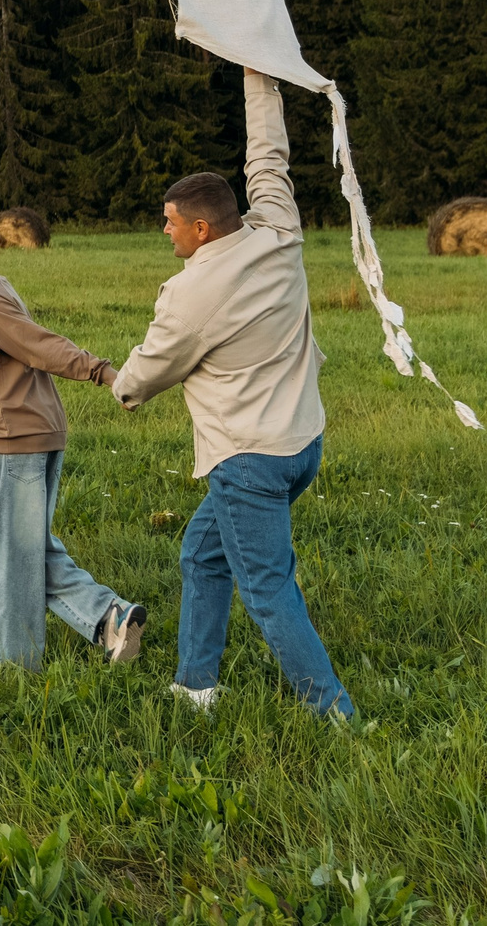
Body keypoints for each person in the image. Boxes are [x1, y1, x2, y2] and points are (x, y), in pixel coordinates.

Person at [113, 69, 355, 719]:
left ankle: (336, 714)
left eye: (169, 223)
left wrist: (118, 385)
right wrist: (256, 72)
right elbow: (268, 155)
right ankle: (195, 686)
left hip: (249, 462)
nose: (164, 231)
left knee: (269, 591)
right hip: (303, 443)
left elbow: (146, 373)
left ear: (200, 229)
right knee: (201, 552)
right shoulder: (279, 229)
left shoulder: (192, 292)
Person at [0, 204, 143, 669]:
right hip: (33, 427)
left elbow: (39, 344)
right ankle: (110, 618)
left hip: (17, 435)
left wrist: (104, 373)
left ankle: (13, 663)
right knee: (21, 547)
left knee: (7, 553)